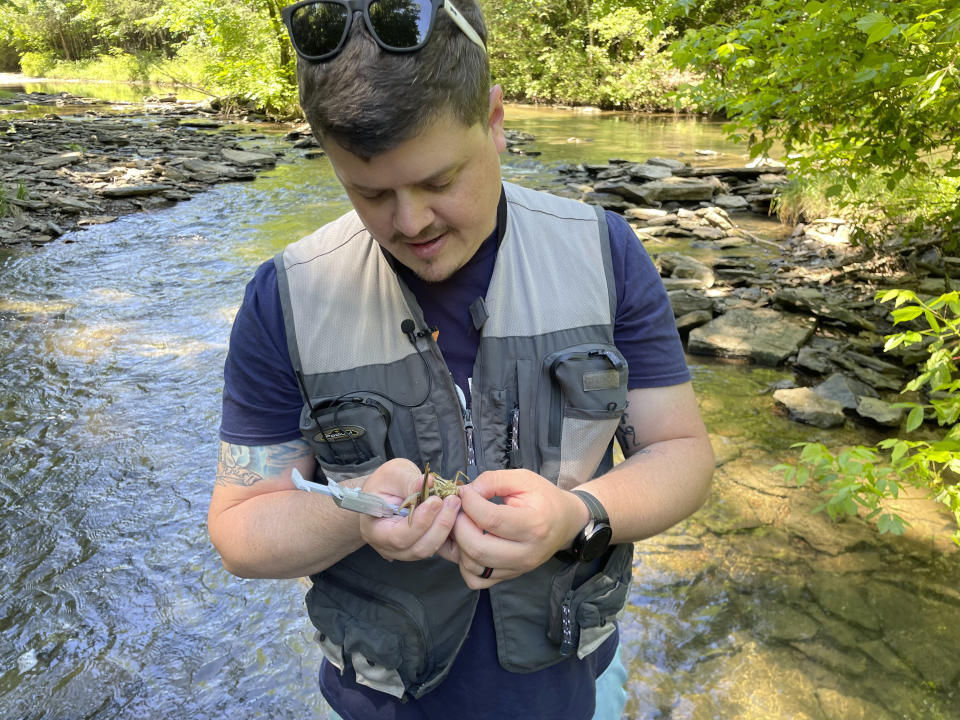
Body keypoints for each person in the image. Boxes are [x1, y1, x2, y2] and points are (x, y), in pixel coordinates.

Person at [208, 0, 715, 717]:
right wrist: (355, 516)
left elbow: (682, 453)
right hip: (377, 701)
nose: (410, 222)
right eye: (370, 192)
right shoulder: (284, 297)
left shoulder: (605, 255)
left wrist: (577, 514)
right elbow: (239, 530)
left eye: (441, 181)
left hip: (578, 686)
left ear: (497, 122)